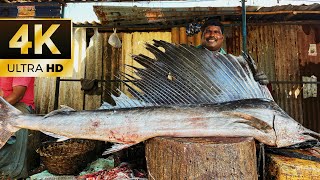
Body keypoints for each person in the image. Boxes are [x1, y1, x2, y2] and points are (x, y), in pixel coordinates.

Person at [197, 19, 269, 85]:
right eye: (208, 32)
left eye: (216, 32)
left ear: (222, 38)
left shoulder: (234, 64)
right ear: (201, 36)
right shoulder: (188, 58)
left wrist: (259, 82)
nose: (212, 35)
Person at [0, 77, 36, 179]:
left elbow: (17, 95)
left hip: (19, 105)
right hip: (3, 103)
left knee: (11, 124)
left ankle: (11, 173)